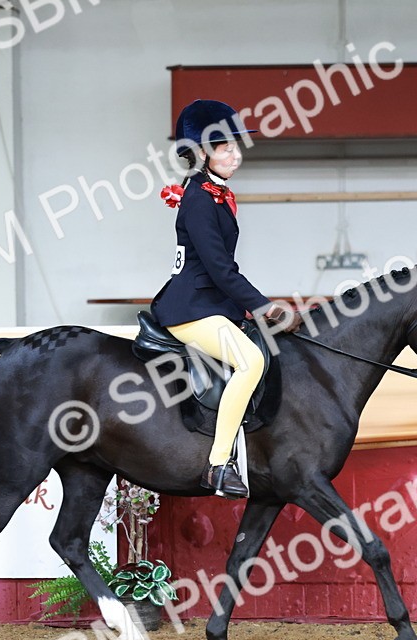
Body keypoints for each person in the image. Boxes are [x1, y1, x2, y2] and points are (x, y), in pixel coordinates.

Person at [150, 99, 299, 499]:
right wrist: (265, 306)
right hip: (191, 309)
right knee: (250, 361)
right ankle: (218, 465)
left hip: (210, 304)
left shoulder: (212, 193)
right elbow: (219, 269)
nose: (236, 156)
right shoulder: (200, 199)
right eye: (225, 148)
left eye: (236, 148)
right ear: (202, 152)